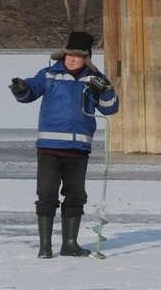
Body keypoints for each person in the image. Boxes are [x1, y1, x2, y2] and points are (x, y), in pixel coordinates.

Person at [9, 31, 119, 258]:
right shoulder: (49, 75)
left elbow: (111, 109)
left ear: (86, 58)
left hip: (78, 150)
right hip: (49, 147)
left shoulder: (95, 79)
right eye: (69, 54)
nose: (71, 58)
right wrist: (20, 88)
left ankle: (69, 244)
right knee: (47, 195)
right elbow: (29, 92)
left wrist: (105, 91)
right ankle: (45, 247)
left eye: (77, 55)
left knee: (76, 195)